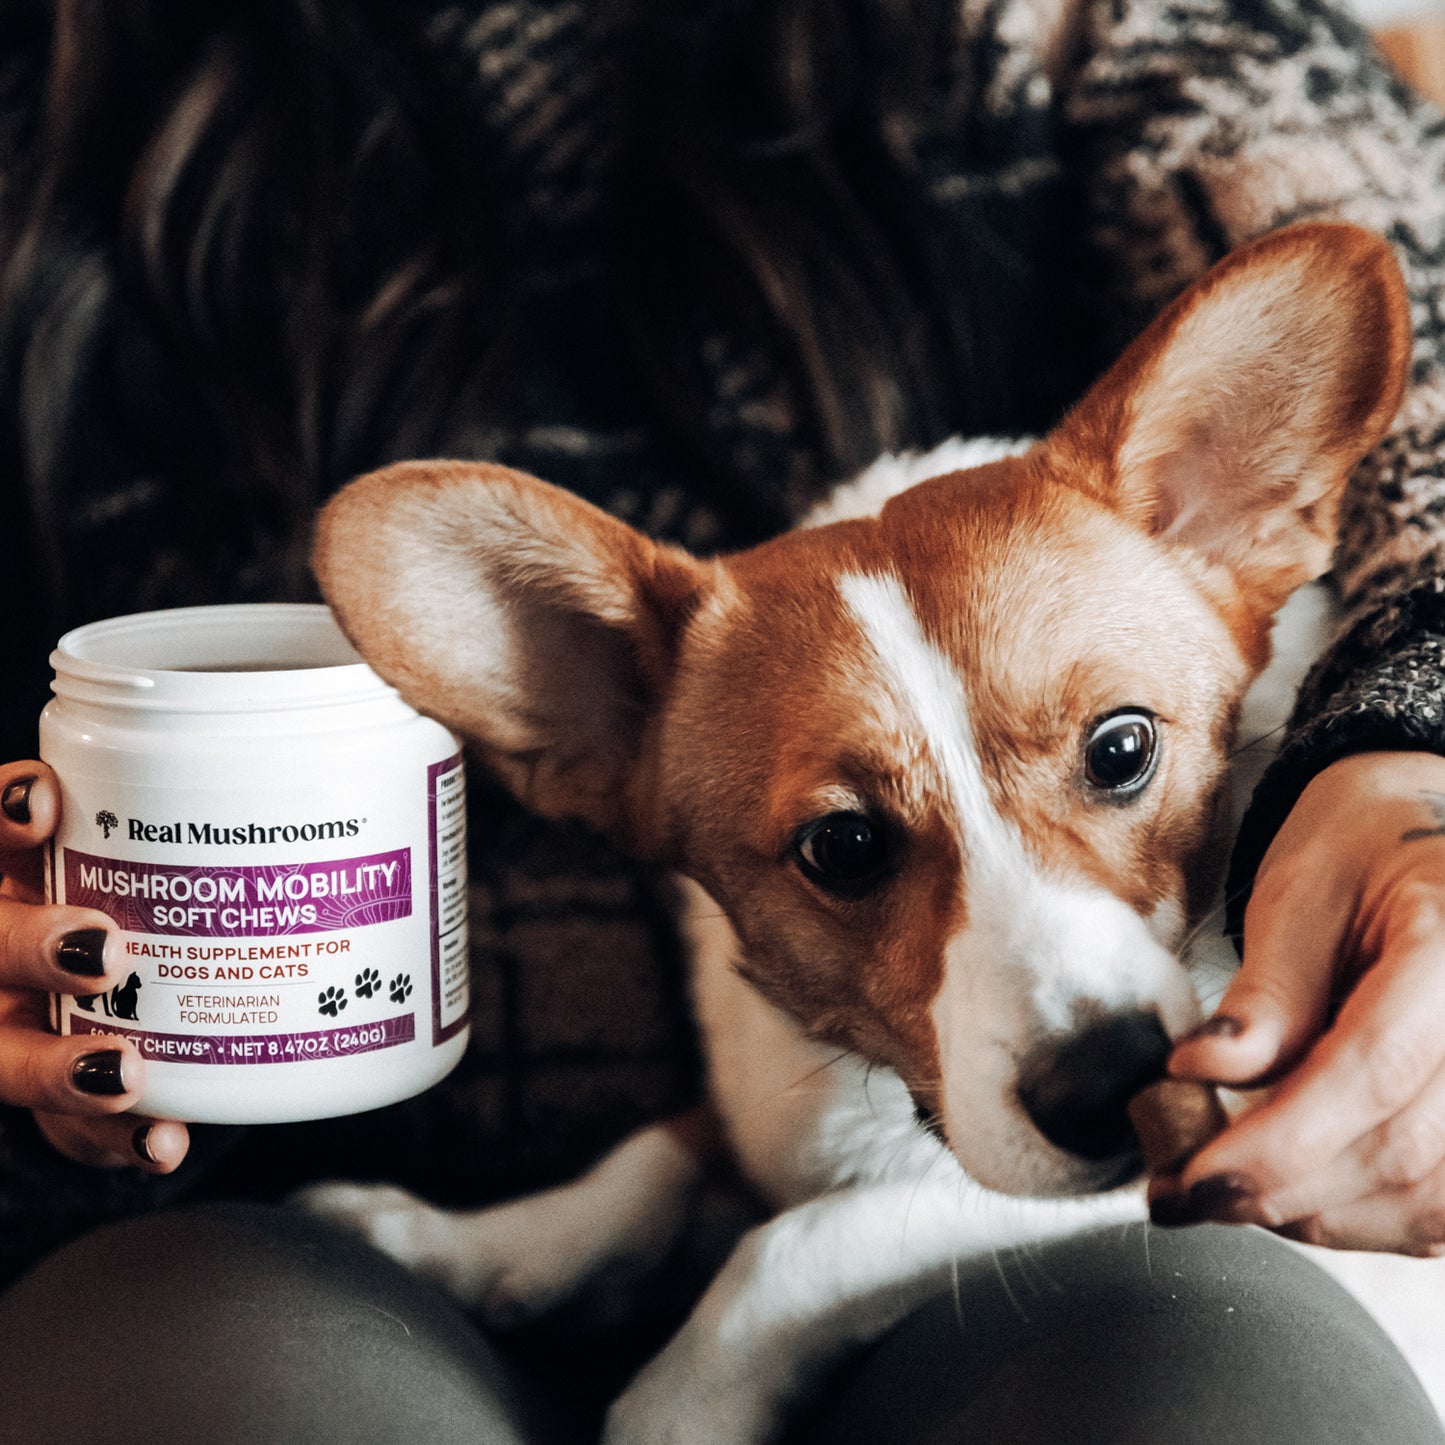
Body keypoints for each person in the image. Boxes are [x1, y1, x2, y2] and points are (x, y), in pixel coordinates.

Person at [0, 0, 1444, 1439]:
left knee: (1219, 1394)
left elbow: (1419, 371)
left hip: (1050, 1307)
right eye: (851, 847)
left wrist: (1402, 759)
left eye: (1114, 758)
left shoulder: (1051, 29)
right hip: (272, 1242)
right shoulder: (44, 110)